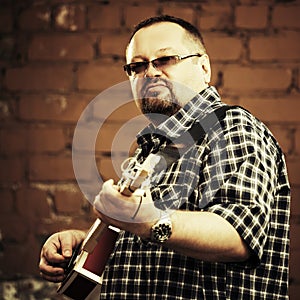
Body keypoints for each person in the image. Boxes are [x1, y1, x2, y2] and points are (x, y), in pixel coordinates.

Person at [39, 15, 290, 299]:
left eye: (165, 59)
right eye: (137, 66)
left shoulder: (231, 127)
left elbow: (239, 234)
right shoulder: (150, 149)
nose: (150, 73)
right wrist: (86, 243)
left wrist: (150, 221)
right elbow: (150, 243)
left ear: (204, 67)